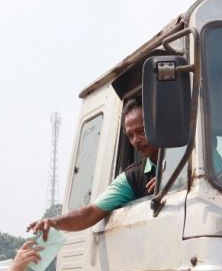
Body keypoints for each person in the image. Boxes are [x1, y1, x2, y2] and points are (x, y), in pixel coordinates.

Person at [28, 97, 157, 236]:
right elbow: (90, 213)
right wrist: (54, 222)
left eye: (141, 131)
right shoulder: (133, 177)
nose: (135, 141)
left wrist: (178, 181)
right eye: (130, 135)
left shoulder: (184, 163)